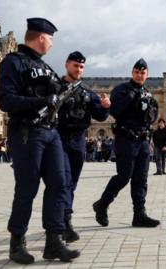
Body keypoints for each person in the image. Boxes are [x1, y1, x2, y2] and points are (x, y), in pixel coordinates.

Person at [0, 18, 80, 264]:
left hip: (50, 133)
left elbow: (56, 94)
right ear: (41, 37)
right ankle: (17, 242)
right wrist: (40, 102)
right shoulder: (13, 62)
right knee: (27, 188)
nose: (52, 44)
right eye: (51, 39)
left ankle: (54, 241)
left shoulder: (44, 65)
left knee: (60, 184)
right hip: (27, 133)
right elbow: (5, 100)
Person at [93, 58, 160, 228]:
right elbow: (114, 111)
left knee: (141, 178)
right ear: (132, 73)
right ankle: (102, 204)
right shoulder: (121, 90)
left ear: (147, 74)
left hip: (143, 141)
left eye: (142, 73)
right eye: (137, 72)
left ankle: (139, 214)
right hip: (126, 139)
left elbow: (153, 117)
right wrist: (131, 98)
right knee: (124, 176)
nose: (139, 75)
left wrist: (148, 110)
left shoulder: (149, 95)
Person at [57, 51, 110, 243]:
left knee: (71, 183)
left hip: (78, 141)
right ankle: (64, 223)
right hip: (58, 139)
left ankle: (64, 220)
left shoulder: (87, 93)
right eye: (75, 66)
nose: (78, 69)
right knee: (62, 181)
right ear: (67, 65)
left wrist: (105, 106)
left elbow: (100, 116)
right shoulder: (55, 88)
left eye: (81, 67)